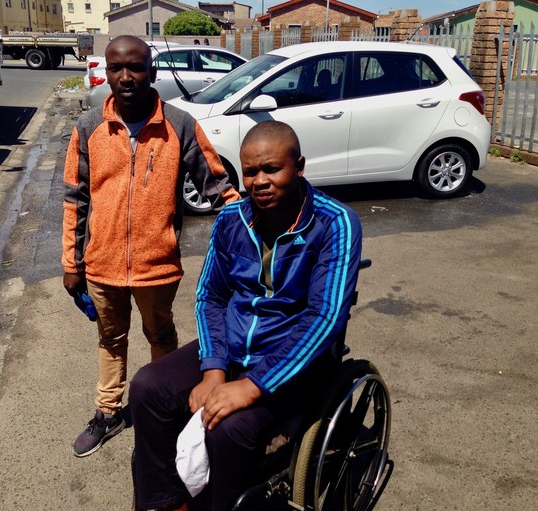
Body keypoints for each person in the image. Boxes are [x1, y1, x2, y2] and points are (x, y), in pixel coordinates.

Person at [130, 121, 363, 510]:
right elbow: (210, 296)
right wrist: (215, 370)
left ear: (299, 166)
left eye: (272, 169)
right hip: (233, 347)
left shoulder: (334, 223)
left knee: (229, 430)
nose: (260, 181)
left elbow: (324, 318)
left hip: (294, 361)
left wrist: (252, 386)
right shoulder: (231, 219)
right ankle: (168, 502)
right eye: (251, 171)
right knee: (147, 387)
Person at [62, 35, 240, 458]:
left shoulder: (178, 124)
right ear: (105, 72)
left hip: (157, 265)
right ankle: (108, 413)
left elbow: (218, 187)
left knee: (161, 336)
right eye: (116, 67)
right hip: (101, 264)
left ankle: (171, 407)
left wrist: (253, 232)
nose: (126, 76)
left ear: (152, 72)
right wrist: (72, 262)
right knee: (110, 338)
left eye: (136, 67)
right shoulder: (89, 128)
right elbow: (75, 199)